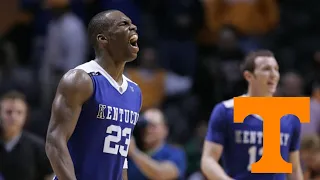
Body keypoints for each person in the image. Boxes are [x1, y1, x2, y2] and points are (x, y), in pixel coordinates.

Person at [45, 10, 142, 180]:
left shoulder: (135, 91)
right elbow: (55, 142)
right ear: (103, 39)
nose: (133, 27)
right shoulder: (80, 79)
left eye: (131, 23)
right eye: (123, 24)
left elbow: (120, 156)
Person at [201, 50, 303, 180]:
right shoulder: (225, 110)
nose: (273, 74)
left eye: (276, 69)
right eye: (266, 69)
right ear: (248, 76)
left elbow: (294, 168)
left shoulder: (290, 116)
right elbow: (208, 160)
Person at [0, 91, 53, 180]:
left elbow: (50, 175)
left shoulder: (38, 147)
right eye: (8, 112)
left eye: (19, 112)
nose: (14, 117)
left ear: (26, 115)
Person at [127, 108, 186, 180]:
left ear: (165, 129)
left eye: (153, 126)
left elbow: (162, 174)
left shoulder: (175, 153)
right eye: (144, 125)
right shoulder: (129, 155)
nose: (147, 129)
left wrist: (134, 152)